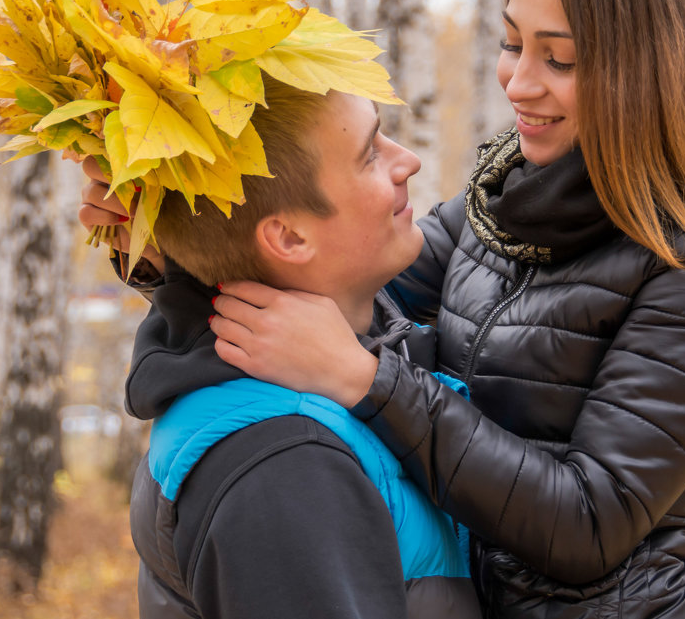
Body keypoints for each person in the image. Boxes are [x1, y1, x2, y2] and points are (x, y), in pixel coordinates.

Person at [200, 0, 685, 618]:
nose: (519, 83)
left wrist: (365, 380)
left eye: (559, 58)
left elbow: (590, 521)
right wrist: (163, 231)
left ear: (651, 72)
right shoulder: (506, 197)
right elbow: (327, 274)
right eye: (512, 43)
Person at [82, 79, 481, 619]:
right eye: (370, 155)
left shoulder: (325, 368)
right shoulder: (289, 468)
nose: (405, 161)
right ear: (289, 239)